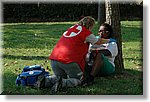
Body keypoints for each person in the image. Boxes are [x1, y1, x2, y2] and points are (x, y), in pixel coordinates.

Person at [35, 16, 111, 94]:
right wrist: (109, 40)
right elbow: (98, 41)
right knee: (78, 80)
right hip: (69, 61)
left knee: (59, 77)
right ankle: (63, 84)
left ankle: (46, 81)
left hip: (54, 59)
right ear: (90, 25)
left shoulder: (72, 28)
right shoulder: (85, 32)